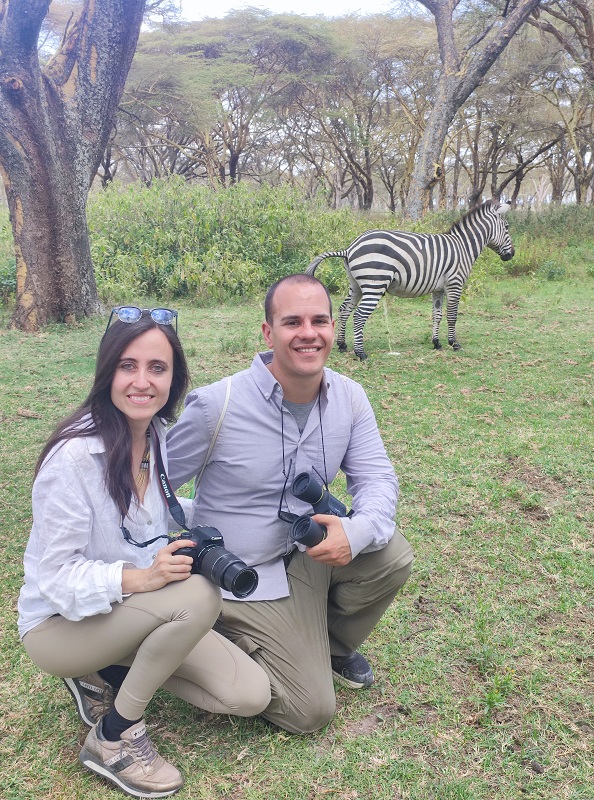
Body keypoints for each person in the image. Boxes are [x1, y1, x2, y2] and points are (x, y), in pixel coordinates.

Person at [17, 307, 270, 799]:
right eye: (128, 366)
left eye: (157, 368)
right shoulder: (72, 458)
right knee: (196, 596)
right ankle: (113, 737)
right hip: (59, 627)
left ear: (174, 379)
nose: (142, 382)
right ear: (107, 371)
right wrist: (142, 579)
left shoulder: (157, 438)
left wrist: (243, 513)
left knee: (249, 695)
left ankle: (107, 673)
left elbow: (163, 513)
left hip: (129, 614)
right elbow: (56, 576)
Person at [166, 275, 413, 734]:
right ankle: (207, 635)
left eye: (319, 320)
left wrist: (355, 532)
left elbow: (378, 479)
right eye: (292, 321)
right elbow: (152, 487)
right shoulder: (216, 406)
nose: (308, 333)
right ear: (268, 332)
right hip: (239, 575)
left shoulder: (350, 399)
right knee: (310, 711)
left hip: (303, 556)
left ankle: (331, 648)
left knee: (390, 553)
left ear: (333, 328)